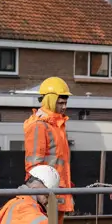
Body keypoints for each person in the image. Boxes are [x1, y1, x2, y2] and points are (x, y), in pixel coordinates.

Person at [23, 76, 73, 215]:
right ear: (50, 100)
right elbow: (33, 166)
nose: (64, 107)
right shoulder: (39, 126)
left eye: (65, 102)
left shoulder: (57, 125)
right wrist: (42, 197)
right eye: (61, 103)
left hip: (57, 191)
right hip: (47, 195)